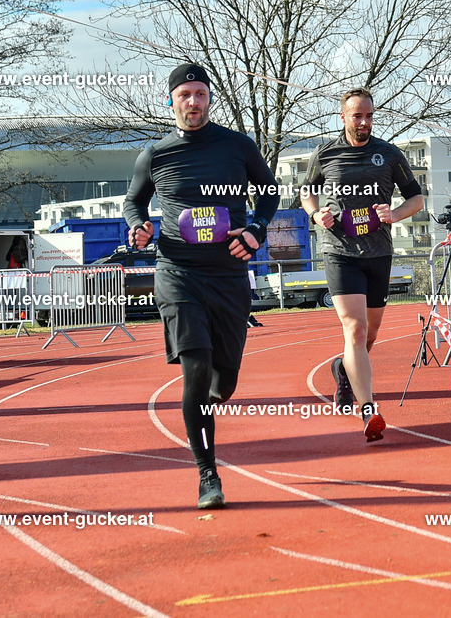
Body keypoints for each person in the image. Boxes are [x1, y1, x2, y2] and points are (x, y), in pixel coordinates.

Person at [124, 63, 280, 509]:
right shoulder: (155, 155)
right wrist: (138, 226)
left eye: (200, 94)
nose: (193, 102)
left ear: (210, 99)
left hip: (229, 274)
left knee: (223, 381)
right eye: (184, 95)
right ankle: (207, 475)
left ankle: (206, 405)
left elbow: (269, 193)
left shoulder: (237, 146)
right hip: (178, 272)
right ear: (171, 100)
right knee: (196, 366)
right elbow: (134, 201)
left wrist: (257, 230)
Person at [300, 88, 423, 442]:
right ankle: (369, 410)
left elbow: (416, 197)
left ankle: (343, 368)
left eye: (369, 116)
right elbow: (306, 191)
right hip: (339, 251)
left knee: (369, 335)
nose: (364, 122)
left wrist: (395, 214)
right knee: (354, 329)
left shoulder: (390, 154)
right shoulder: (325, 154)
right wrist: (316, 214)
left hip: (378, 252)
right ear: (343, 117)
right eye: (357, 116)